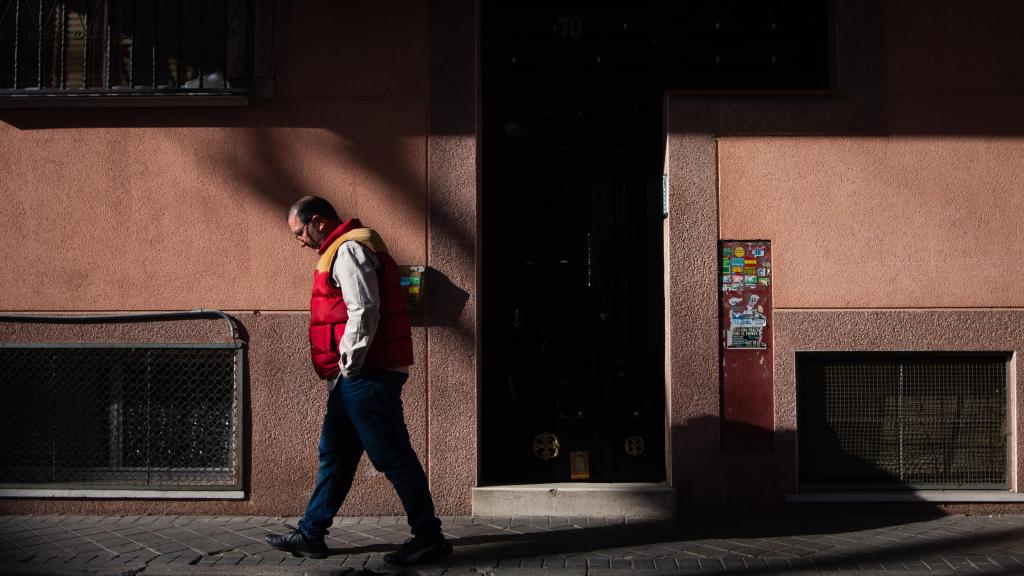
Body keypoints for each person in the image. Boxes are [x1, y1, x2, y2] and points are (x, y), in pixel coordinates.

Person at [265, 196, 452, 564]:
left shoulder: (349, 249)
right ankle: (311, 534)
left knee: (392, 456)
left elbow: (364, 309)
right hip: (356, 375)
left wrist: (349, 366)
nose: (300, 241)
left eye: (299, 232)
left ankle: (429, 537)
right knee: (336, 455)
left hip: (365, 374)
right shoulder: (344, 247)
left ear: (317, 221)